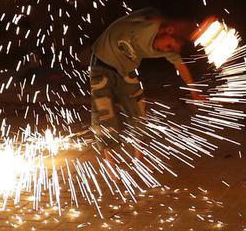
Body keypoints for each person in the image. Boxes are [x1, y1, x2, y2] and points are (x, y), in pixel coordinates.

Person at [88, 8, 205, 144]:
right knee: (104, 112)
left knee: (139, 110)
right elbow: (150, 13)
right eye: (168, 46)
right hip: (102, 63)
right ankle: (110, 161)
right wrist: (190, 26)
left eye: (171, 50)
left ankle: (140, 157)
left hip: (126, 69)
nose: (166, 51)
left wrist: (194, 92)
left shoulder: (168, 49)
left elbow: (181, 66)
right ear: (168, 31)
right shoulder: (150, 25)